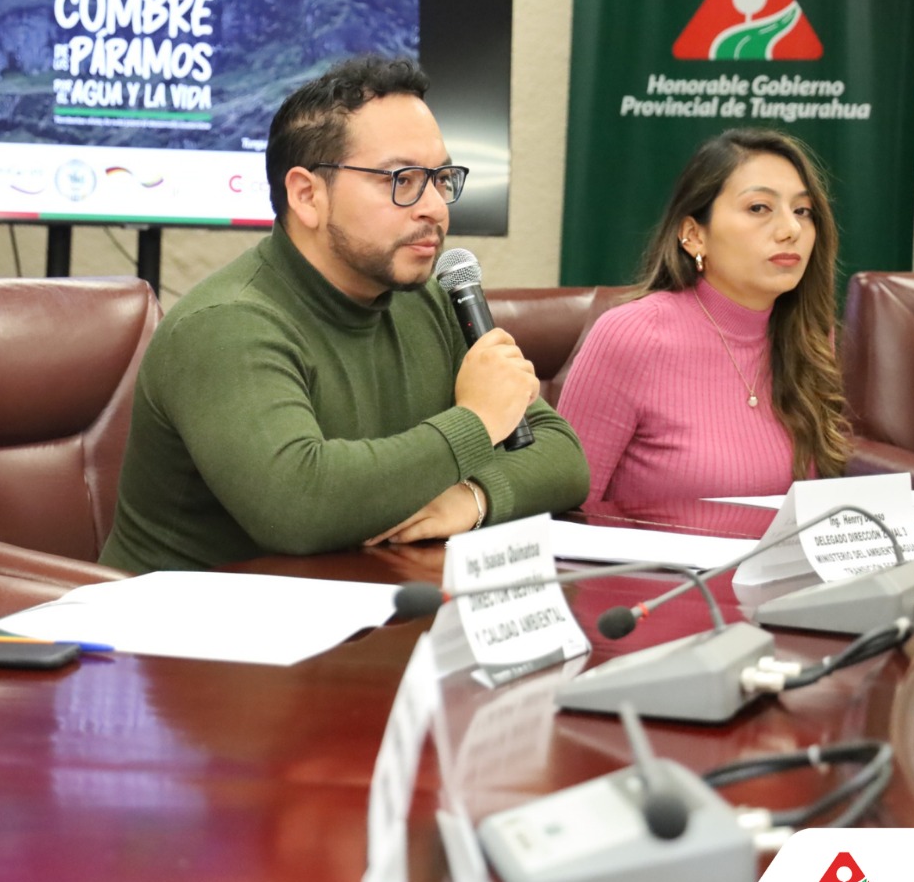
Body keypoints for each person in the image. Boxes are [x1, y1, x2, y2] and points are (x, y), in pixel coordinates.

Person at [100, 56, 589, 573]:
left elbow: (562, 456)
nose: (435, 208)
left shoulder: (429, 299)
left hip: (358, 610)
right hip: (183, 635)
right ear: (307, 195)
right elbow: (298, 505)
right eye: (401, 179)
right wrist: (476, 421)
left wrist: (473, 497)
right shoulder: (227, 325)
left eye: (441, 178)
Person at [556, 128, 850, 502]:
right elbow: (564, 513)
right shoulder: (631, 336)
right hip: (655, 561)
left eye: (802, 211)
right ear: (694, 235)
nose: (791, 229)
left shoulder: (809, 335)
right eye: (759, 208)